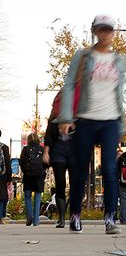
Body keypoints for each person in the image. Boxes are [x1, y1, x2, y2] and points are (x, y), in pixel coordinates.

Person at [57, 14, 126, 235]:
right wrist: (67, 117)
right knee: (79, 172)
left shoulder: (119, 60)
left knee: (108, 169)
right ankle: (75, 214)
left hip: (110, 120)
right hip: (86, 118)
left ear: (113, 33)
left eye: (108, 30)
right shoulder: (83, 57)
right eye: (101, 29)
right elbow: (69, 86)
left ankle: (110, 218)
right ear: (94, 31)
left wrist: (121, 125)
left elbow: (119, 93)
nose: (105, 34)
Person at [43, 91, 76, 228]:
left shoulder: (79, 115)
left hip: (75, 152)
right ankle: (62, 218)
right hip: (58, 151)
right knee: (60, 183)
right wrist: (46, 152)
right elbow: (49, 135)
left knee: (76, 184)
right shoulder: (54, 117)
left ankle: (74, 216)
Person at [19, 133, 46, 226]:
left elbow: (21, 162)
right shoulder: (42, 149)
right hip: (39, 176)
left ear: (28, 140)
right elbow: (45, 163)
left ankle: (29, 216)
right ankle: (36, 221)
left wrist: (25, 171)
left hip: (28, 176)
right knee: (38, 197)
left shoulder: (25, 149)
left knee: (27, 196)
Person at [0, 130, 12, 225]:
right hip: (2, 175)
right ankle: (1, 218)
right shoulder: (4, 147)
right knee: (2, 197)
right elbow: (8, 163)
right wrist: (9, 178)